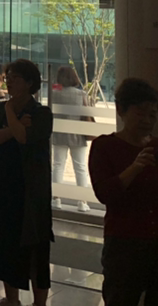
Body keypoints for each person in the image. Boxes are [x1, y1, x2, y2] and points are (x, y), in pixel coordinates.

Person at [89, 78, 158, 306]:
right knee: (121, 299)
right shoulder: (104, 146)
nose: (147, 120)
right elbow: (104, 193)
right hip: (124, 244)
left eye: (152, 114)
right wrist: (134, 168)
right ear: (121, 111)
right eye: (140, 113)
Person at [0, 59, 54, 306]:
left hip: (31, 190)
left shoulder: (41, 113)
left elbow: (24, 138)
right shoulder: (0, 108)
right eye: (8, 77)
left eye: (16, 78)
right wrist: (14, 126)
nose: (10, 81)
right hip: (3, 187)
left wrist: (11, 116)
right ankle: (12, 300)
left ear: (30, 83)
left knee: (35, 248)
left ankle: (39, 303)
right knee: (6, 244)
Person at [51, 66, 94, 212]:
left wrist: (57, 85)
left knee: (58, 165)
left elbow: (54, 89)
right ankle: (82, 201)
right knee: (80, 167)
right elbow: (86, 112)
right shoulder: (81, 94)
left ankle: (56, 199)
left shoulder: (54, 92)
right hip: (77, 134)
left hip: (59, 134)